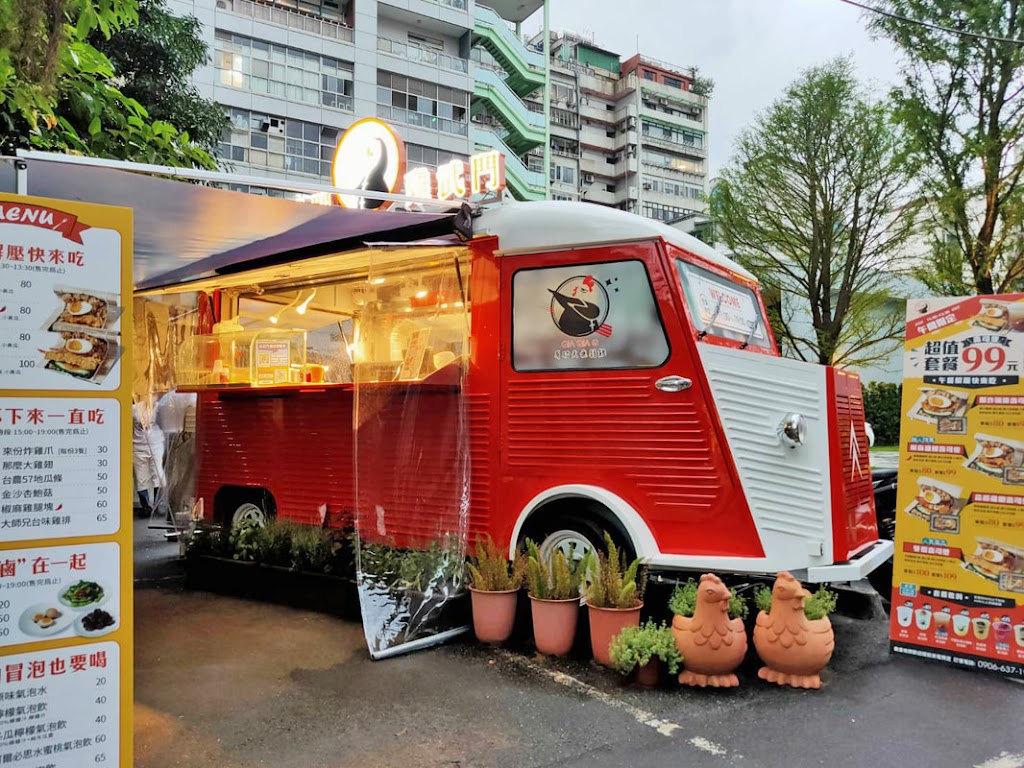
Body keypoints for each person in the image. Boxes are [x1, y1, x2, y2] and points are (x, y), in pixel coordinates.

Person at [132, 396, 166, 517]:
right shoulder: (134, 409)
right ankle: (145, 506)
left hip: (156, 446)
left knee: (158, 475)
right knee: (141, 478)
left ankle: (159, 504)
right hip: (138, 447)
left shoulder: (159, 408)